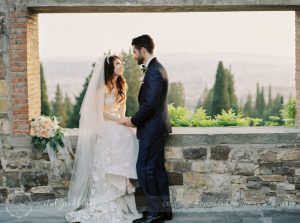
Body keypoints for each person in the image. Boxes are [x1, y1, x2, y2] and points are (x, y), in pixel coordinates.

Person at [65, 55, 141, 223]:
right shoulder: (102, 88)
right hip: (106, 123)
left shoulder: (123, 84)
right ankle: (106, 192)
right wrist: (119, 120)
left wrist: (124, 120)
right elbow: (100, 112)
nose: (121, 66)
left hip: (117, 121)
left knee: (130, 135)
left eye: (121, 63)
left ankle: (122, 178)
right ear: (110, 68)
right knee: (116, 134)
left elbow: (122, 108)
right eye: (118, 64)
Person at [122, 34, 173, 223]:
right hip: (157, 128)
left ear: (143, 50)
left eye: (135, 52)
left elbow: (150, 105)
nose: (134, 56)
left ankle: (154, 212)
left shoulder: (153, 71)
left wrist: (133, 121)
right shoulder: (158, 68)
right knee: (157, 169)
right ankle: (164, 210)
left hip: (152, 129)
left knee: (144, 168)